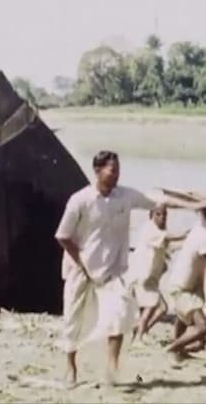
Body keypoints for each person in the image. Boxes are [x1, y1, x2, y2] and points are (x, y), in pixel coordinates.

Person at [55, 150, 191, 386]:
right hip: (81, 269)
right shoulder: (81, 199)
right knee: (73, 320)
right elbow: (63, 236)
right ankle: (71, 368)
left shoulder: (125, 196)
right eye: (112, 170)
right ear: (98, 171)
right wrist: (83, 262)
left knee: (119, 314)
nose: (117, 174)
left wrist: (195, 203)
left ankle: (112, 368)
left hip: (112, 271)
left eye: (118, 169)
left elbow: (161, 202)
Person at [128, 204, 188, 345]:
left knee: (161, 308)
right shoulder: (150, 230)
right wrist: (187, 234)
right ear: (151, 215)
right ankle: (138, 338)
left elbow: (170, 246)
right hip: (142, 277)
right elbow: (169, 238)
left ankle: (141, 330)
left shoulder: (159, 233)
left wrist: (188, 242)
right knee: (151, 306)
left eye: (165, 215)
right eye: (159, 214)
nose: (163, 218)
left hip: (151, 279)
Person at [166, 206, 206, 360]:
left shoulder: (199, 226)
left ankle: (178, 351)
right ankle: (172, 349)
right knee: (202, 326)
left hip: (186, 284)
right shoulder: (203, 237)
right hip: (182, 288)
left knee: (183, 317)